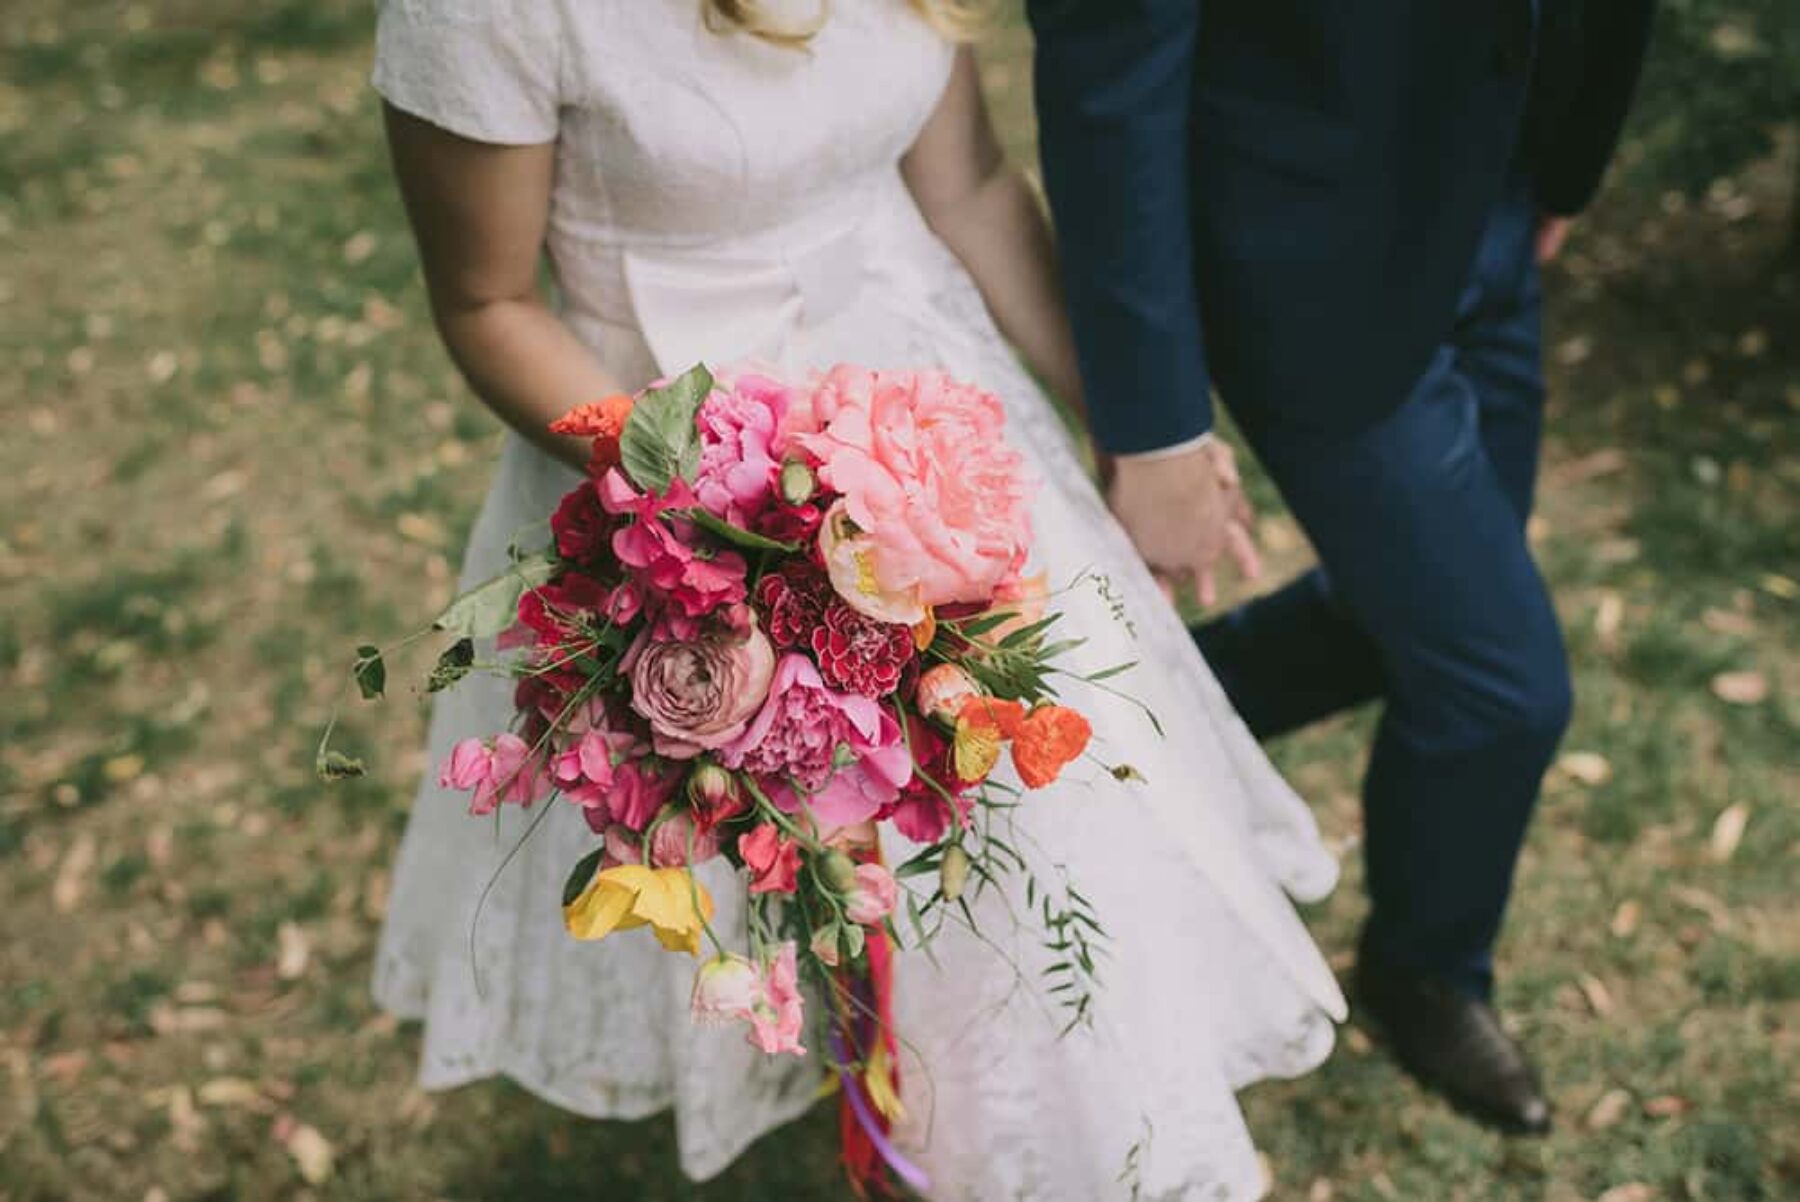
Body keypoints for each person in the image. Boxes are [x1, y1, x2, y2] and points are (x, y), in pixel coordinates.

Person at [368, 1, 1344, 1198]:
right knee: (783, 850)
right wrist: (721, 513)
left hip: (929, 418)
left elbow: (974, 185)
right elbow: (488, 304)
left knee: (1041, 811)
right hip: (680, 470)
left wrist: (1129, 425)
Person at [1028, 0, 1656, 1135]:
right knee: (1503, 688)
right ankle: (1427, 969)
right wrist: (1154, 429)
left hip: (1497, 190)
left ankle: (1092, 729)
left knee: (1409, 619)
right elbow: (1108, 80)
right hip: (1309, 245)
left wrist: (1562, 163)